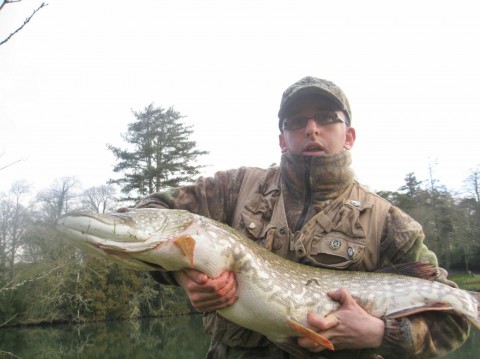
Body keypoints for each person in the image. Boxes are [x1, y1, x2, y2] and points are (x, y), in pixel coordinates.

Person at [133, 76, 470, 358]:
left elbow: (455, 319)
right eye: (296, 122)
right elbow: (148, 216)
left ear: (349, 136)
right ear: (282, 139)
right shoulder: (234, 189)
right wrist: (185, 276)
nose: (312, 129)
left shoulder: (389, 223)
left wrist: (380, 333)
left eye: (326, 117)